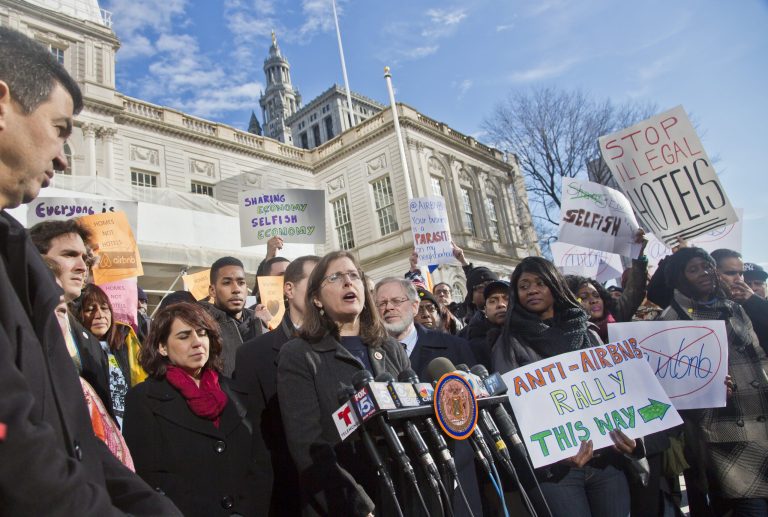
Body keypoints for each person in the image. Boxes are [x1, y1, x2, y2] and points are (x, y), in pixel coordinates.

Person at [0, 26, 180, 514]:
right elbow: (15, 447)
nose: (63, 155)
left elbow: (72, 433)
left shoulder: (15, 258)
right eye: (59, 129)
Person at [492, 256, 642, 517]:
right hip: (556, 472)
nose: (532, 290)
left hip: (607, 460)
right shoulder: (507, 344)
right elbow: (509, 411)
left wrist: (634, 439)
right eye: (524, 286)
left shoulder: (589, 333)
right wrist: (555, 453)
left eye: (540, 282)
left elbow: (617, 391)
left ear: (556, 286)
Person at [277, 251, 409, 516]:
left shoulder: (391, 348)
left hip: (406, 493)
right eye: (335, 277)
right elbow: (308, 446)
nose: (348, 282)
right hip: (346, 502)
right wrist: (359, 508)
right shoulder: (299, 355)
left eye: (353, 275)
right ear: (316, 299)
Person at [657, 247, 768, 516]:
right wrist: (703, 390)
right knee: (750, 508)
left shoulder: (734, 308)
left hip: (761, 417)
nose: (704, 273)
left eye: (706, 266)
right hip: (722, 432)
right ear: (680, 278)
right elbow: (668, 386)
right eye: (693, 269)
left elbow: (759, 356)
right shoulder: (670, 319)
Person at [123, 302, 260, 516]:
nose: (197, 342)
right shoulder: (143, 399)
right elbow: (148, 476)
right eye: (184, 336)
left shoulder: (238, 393)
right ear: (162, 347)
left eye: (202, 333)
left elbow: (259, 463)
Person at [374, 276, 481, 517]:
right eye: (381, 303)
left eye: (396, 300)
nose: (388, 307)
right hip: (401, 476)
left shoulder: (453, 347)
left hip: (454, 466)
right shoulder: (367, 356)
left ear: (414, 307)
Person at [234, 254, 321, 517]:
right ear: (289, 289)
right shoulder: (253, 355)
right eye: (315, 282)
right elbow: (252, 443)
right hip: (286, 498)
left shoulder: (349, 346)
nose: (323, 290)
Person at [29, 219, 111, 410]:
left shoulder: (90, 343)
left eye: (85, 258)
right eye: (69, 255)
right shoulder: (16, 324)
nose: (82, 267)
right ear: (36, 259)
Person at [76, 283, 146, 427]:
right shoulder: (76, 349)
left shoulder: (125, 342)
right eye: (90, 309)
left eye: (104, 308)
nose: (99, 315)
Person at [200, 256, 266, 376]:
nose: (236, 289)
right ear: (212, 291)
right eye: (227, 283)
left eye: (241, 283)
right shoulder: (202, 328)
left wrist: (263, 327)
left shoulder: (260, 321)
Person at [711, 248, 768, 355]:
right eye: (731, 273)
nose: (739, 279)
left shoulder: (751, 304)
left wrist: (754, 301)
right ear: (713, 273)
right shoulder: (705, 305)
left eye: (741, 274)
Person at [463, 279, 509, 369]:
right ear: (485, 310)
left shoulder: (534, 332)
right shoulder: (471, 347)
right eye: (492, 301)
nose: (500, 304)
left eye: (507, 299)